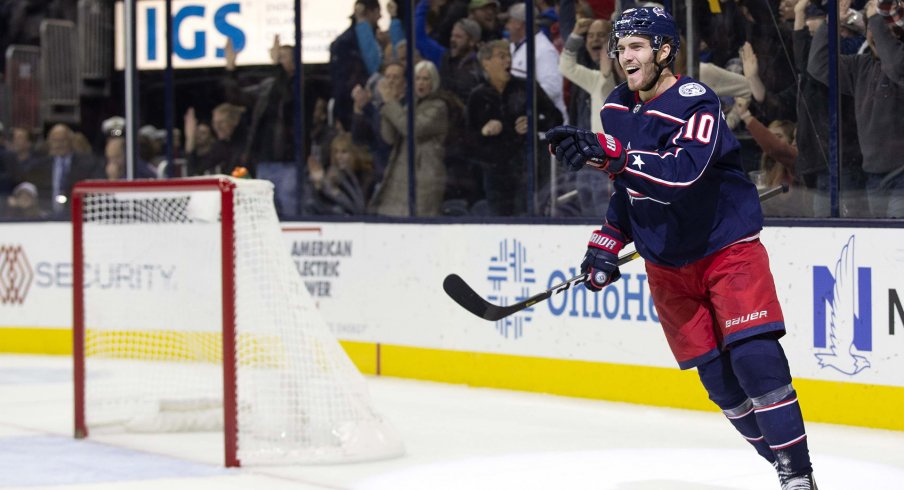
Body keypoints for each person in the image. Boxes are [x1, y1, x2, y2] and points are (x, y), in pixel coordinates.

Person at [545, 7, 816, 489]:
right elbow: (629, 188)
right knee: (721, 385)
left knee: (756, 361)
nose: (624, 55)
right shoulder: (613, 109)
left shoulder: (697, 100)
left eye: (636, 46)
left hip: (725, 248)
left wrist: (613, 155)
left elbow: (680, 176)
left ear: (664, 50)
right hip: (667, 264)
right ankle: (781, 463)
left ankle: (798, 477)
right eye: (620, 47)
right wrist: (607, 241)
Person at [809, 0, 904, 218]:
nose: (873, 34)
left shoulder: (898, 63)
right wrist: (831, 23)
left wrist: (878, 20)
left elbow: (896, 68)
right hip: (873, 175)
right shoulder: (860, 66)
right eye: (870, 28)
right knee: (880, 245)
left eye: (880, 28)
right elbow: (818, 65)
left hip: (902, 175)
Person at [369, 60, 449, 216]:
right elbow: (389, 137)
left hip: (424, 177)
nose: (421, 83)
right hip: (401, 174)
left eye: (426, 79)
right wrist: (390, 103)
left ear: (434, 81)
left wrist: (391, 103)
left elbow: (412, 129)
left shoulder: (439, 107)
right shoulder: (410, 105)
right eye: (418, 78)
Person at [24, 123, 104, 216]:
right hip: (46, 216)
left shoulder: (87, 163)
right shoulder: (39, 166)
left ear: (71, 141)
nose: (58, 145)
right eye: (54, 141)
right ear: (49, 142)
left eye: (62, 141)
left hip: (76, 215)